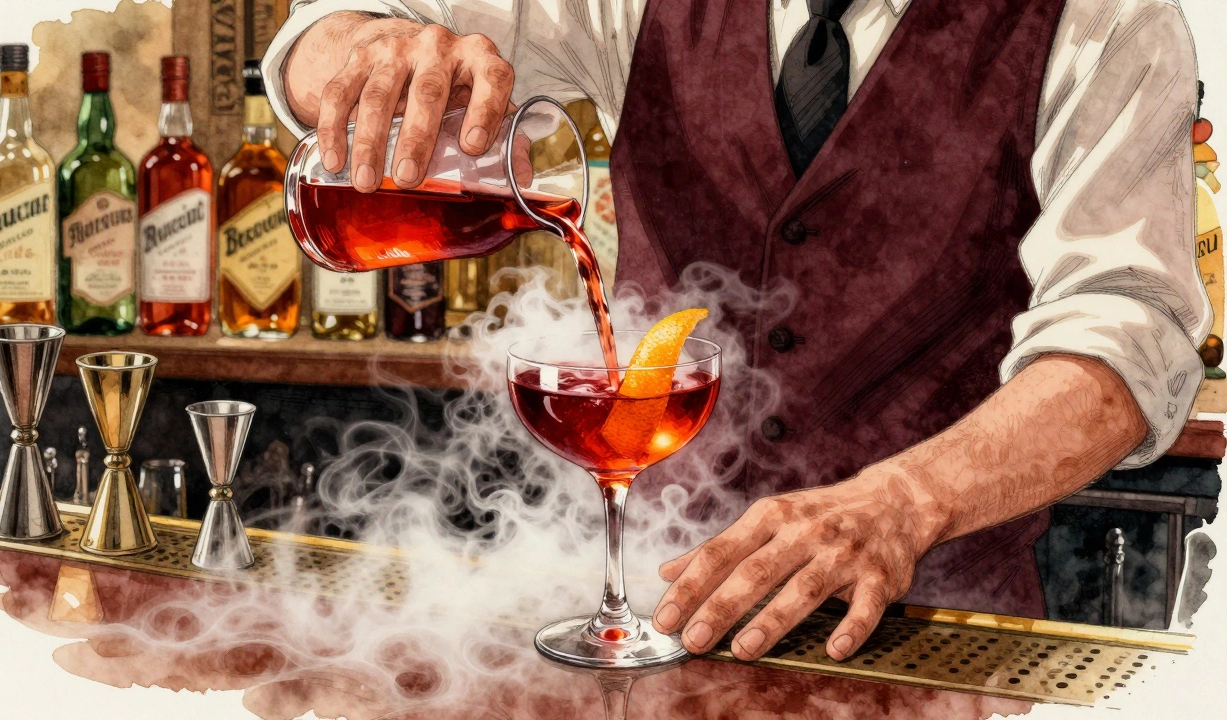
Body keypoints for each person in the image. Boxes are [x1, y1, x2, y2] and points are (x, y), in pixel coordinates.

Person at [261, 0, 1209, 663]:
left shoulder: (1107, 17)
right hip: (652, 623)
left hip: (943, 644)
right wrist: (377, 44)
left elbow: (1130, 332)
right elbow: (318, 36)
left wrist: (905, 501)